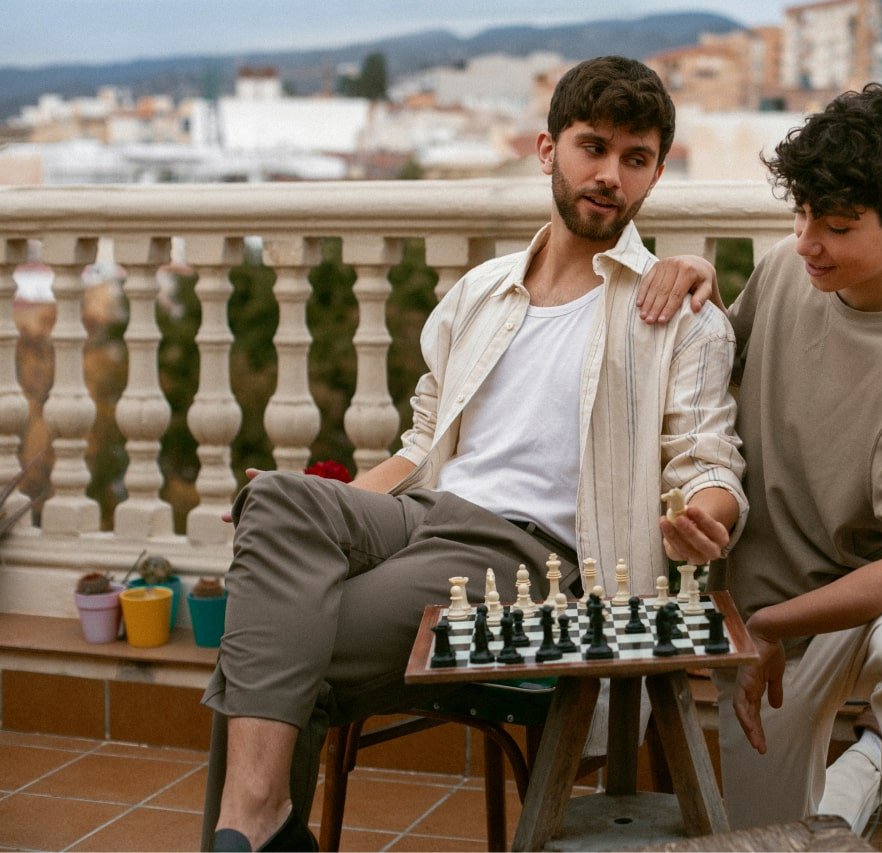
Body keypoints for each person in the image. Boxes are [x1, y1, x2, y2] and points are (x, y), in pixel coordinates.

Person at [200, 55, 747, 852]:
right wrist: (337, 516)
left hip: (529, 557)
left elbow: (709, 459)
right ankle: (261, 824)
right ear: (546, 149)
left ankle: (245, 829)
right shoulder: (481, 294)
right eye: (592, 147)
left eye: (635, 159)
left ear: (657, 172)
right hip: (421, 513)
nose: (610, 176)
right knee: (281, 499)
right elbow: (424, 443)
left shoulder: (676, 312)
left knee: (273, 645)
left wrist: (708, 516)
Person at [643, 84, 882, 850]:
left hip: (851, 612)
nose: (807, 242)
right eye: (800, 217)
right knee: (773, 839)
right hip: (764, 607)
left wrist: (769, 625)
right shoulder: (786, 272)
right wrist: (699, 274)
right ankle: (864, 774)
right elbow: (710, 373)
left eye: (834, 226)